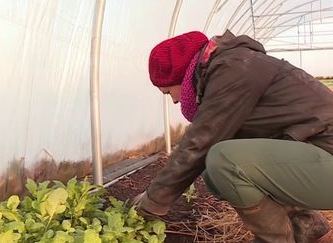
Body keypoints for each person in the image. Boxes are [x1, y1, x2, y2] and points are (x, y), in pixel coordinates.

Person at [131, 30, 333, 243]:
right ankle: (304, 224)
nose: (173, 100)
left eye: (168, 91)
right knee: (215, 171)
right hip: (319, 158)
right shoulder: (234, 63)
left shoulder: (234, 68)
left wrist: (151, 201)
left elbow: (201, 140)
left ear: (181, 75)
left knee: (224, 160)